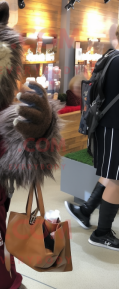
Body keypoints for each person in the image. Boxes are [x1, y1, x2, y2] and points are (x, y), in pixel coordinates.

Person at [65, 25, 119, 251]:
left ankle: (85, 211)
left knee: (111, 174)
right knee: (116, 179)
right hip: (115, 127)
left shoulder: (110, 57)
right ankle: (102, 233)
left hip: (106, 126)